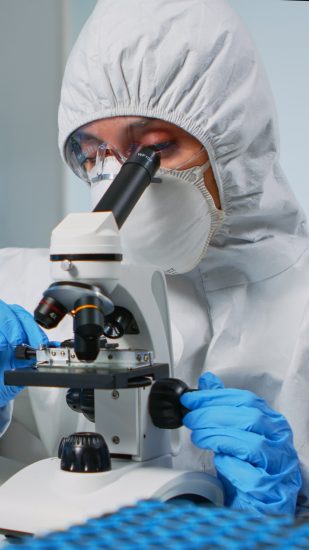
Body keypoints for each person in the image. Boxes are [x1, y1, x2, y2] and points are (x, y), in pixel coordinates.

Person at [0, 0, 308, 516]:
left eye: (155, 149)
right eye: (92, 152)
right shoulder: (22, 286)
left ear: (236, 141)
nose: (114, 180)